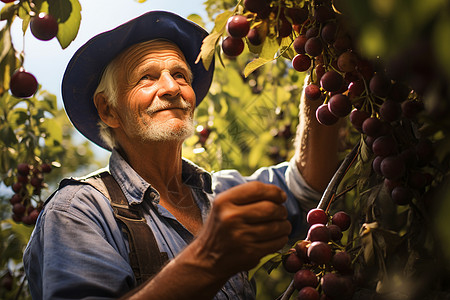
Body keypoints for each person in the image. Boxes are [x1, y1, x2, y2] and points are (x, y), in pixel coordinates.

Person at [23, 10, 340, 300]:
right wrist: (209, 258)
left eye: (181, 75)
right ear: (108, 109)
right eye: (147, 77)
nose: (172, 87)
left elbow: (307, 186)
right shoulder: (79, 211)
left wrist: (324, 74)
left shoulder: (223, 195)